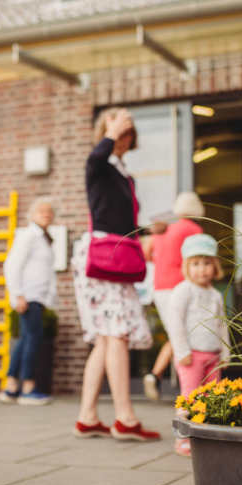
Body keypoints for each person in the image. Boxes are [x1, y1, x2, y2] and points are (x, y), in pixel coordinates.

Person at [71, 107, 160, 442]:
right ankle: (124, 417)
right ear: (106, 132)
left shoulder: (123, 173)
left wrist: (148, 231)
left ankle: (87, 416)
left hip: (111, 257)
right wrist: (109, 132)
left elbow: (117, 219)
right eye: (120, 130)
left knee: (106, 338)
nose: (125, 135)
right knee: (117, 333)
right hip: (102, 260)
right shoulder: (100, 165)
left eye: (128, 131)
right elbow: (93, 161)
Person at [165, 233, 230, 456]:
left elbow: (222, 325)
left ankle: (206, 436)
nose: (201, 269)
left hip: (213, 354)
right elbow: (175, 322)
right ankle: (184, 439)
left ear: (215, 266)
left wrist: (225, 352)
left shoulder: (215, 295)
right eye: (195, 264)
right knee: (190, 397)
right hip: (191, 355)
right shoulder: (184, 290)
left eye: (206, 263)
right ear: (187, 266)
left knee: (211, 397)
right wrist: (182, 350)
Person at [141, 192, 205, 401]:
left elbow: (146, 254)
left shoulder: (162, 229)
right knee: (182, 335)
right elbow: (200, 258)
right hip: (180, 286)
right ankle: (186, 387)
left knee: (176, 333)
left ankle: (156, 376)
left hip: (159, 286)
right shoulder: (193, 229)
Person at [0, 200, 57, 406]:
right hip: (28, 296)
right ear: (31, 215)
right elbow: (12, 265)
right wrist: (17, 295)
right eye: (41, 211)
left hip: (37, 298)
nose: (46, 214)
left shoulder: (43, 238)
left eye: (49, 211)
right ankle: (28, 389)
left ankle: (11, 387)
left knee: (26, 340)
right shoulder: (29, 236)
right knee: (33, 340)